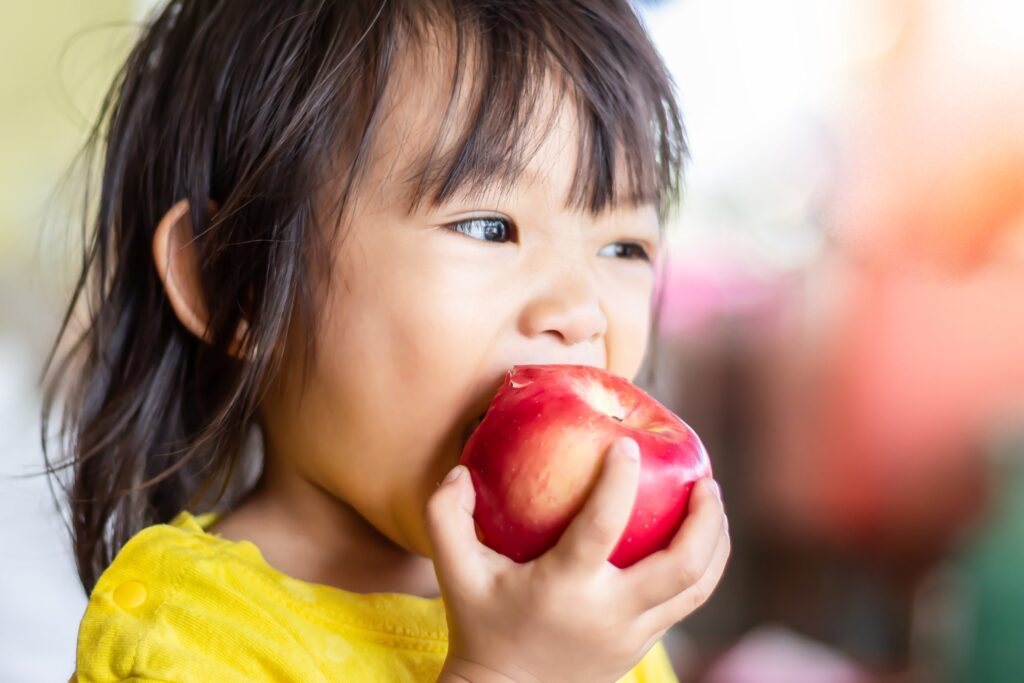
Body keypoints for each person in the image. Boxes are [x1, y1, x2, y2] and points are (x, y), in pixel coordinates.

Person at [42, 1, 730, 680]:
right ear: (236, 284)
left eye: (624, 245)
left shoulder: (588, 611)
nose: (581, 312)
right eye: (489, 226)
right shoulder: (180, 638)